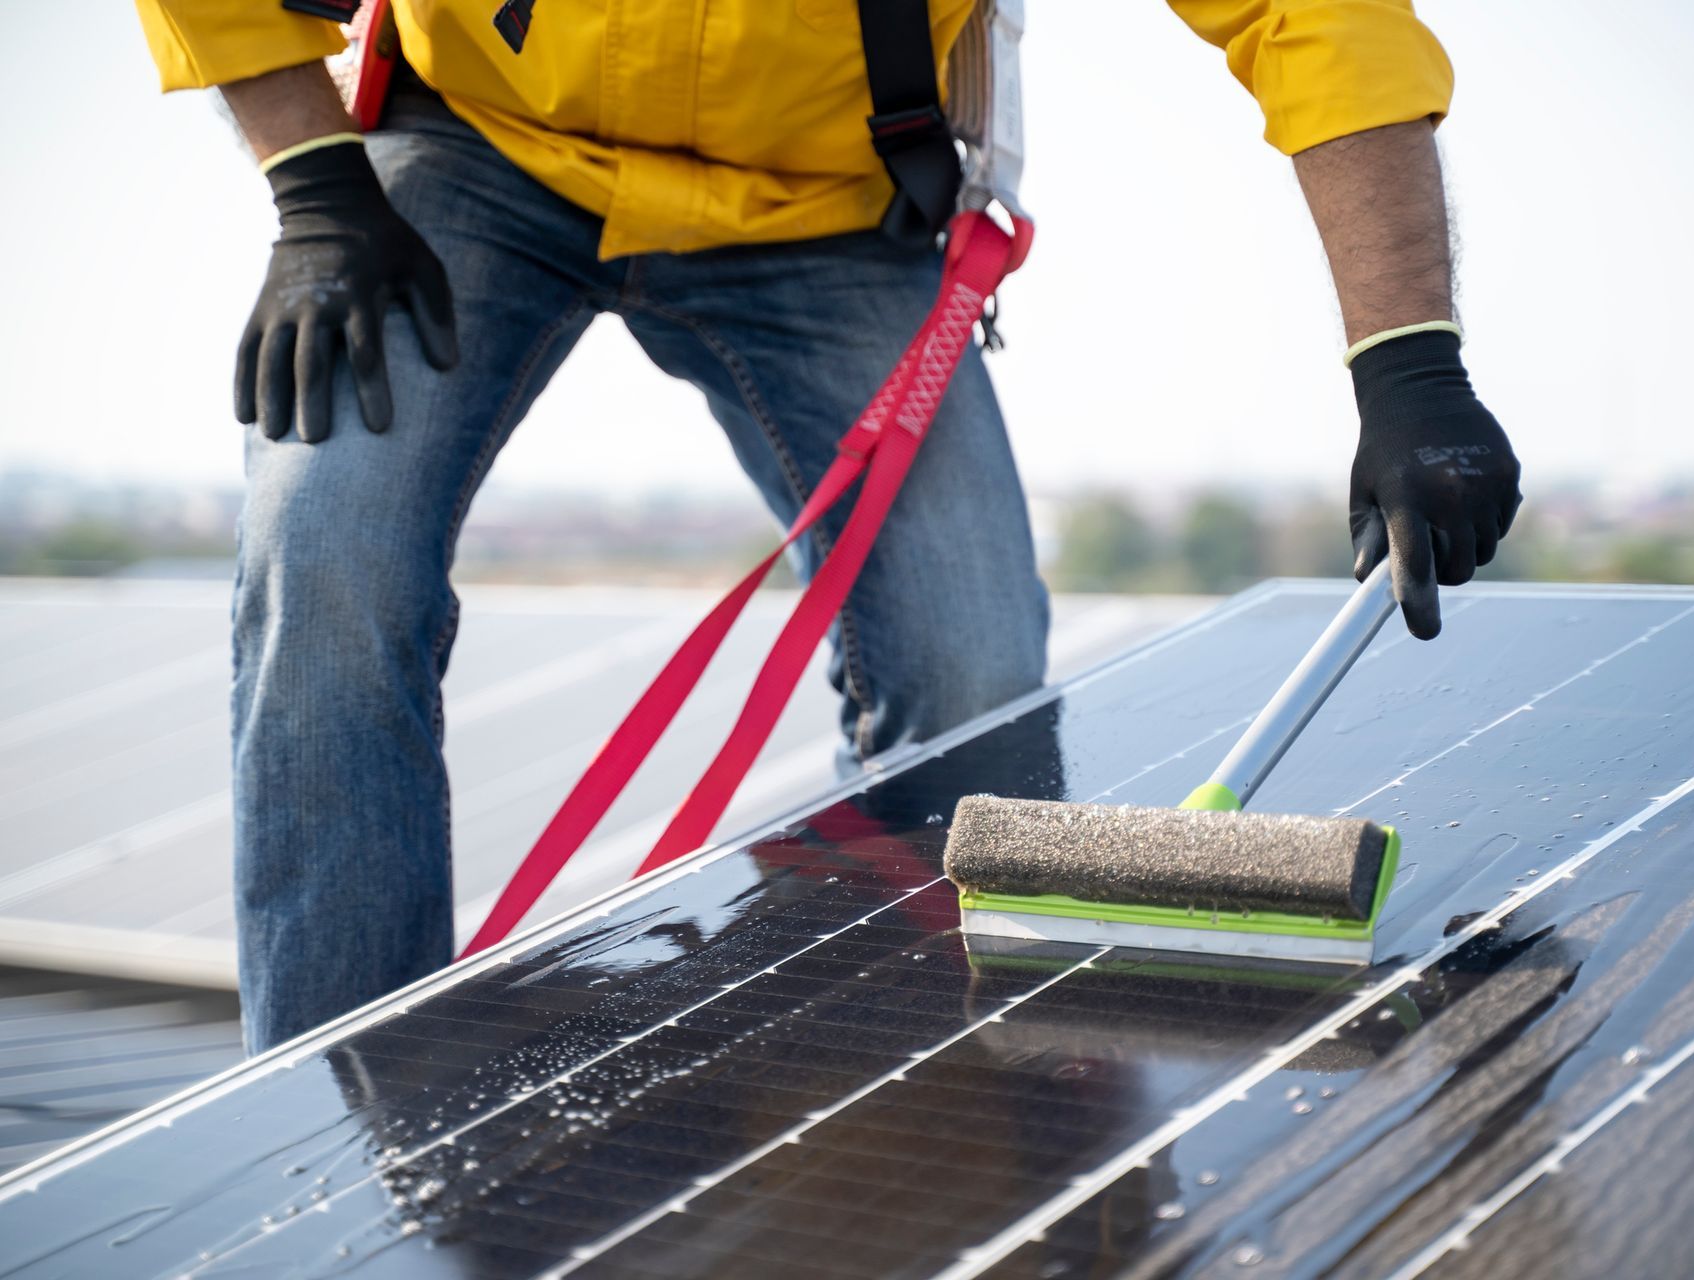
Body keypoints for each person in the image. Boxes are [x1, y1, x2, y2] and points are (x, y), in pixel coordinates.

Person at [133, 0, 1522, 1054]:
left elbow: (1317, 18)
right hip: (479, 154)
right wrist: (313, 185)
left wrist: (1406, 356)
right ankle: (320, 1136)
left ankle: (940, 1111)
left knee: (970, 675)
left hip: (826, 203)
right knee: (324, 556)